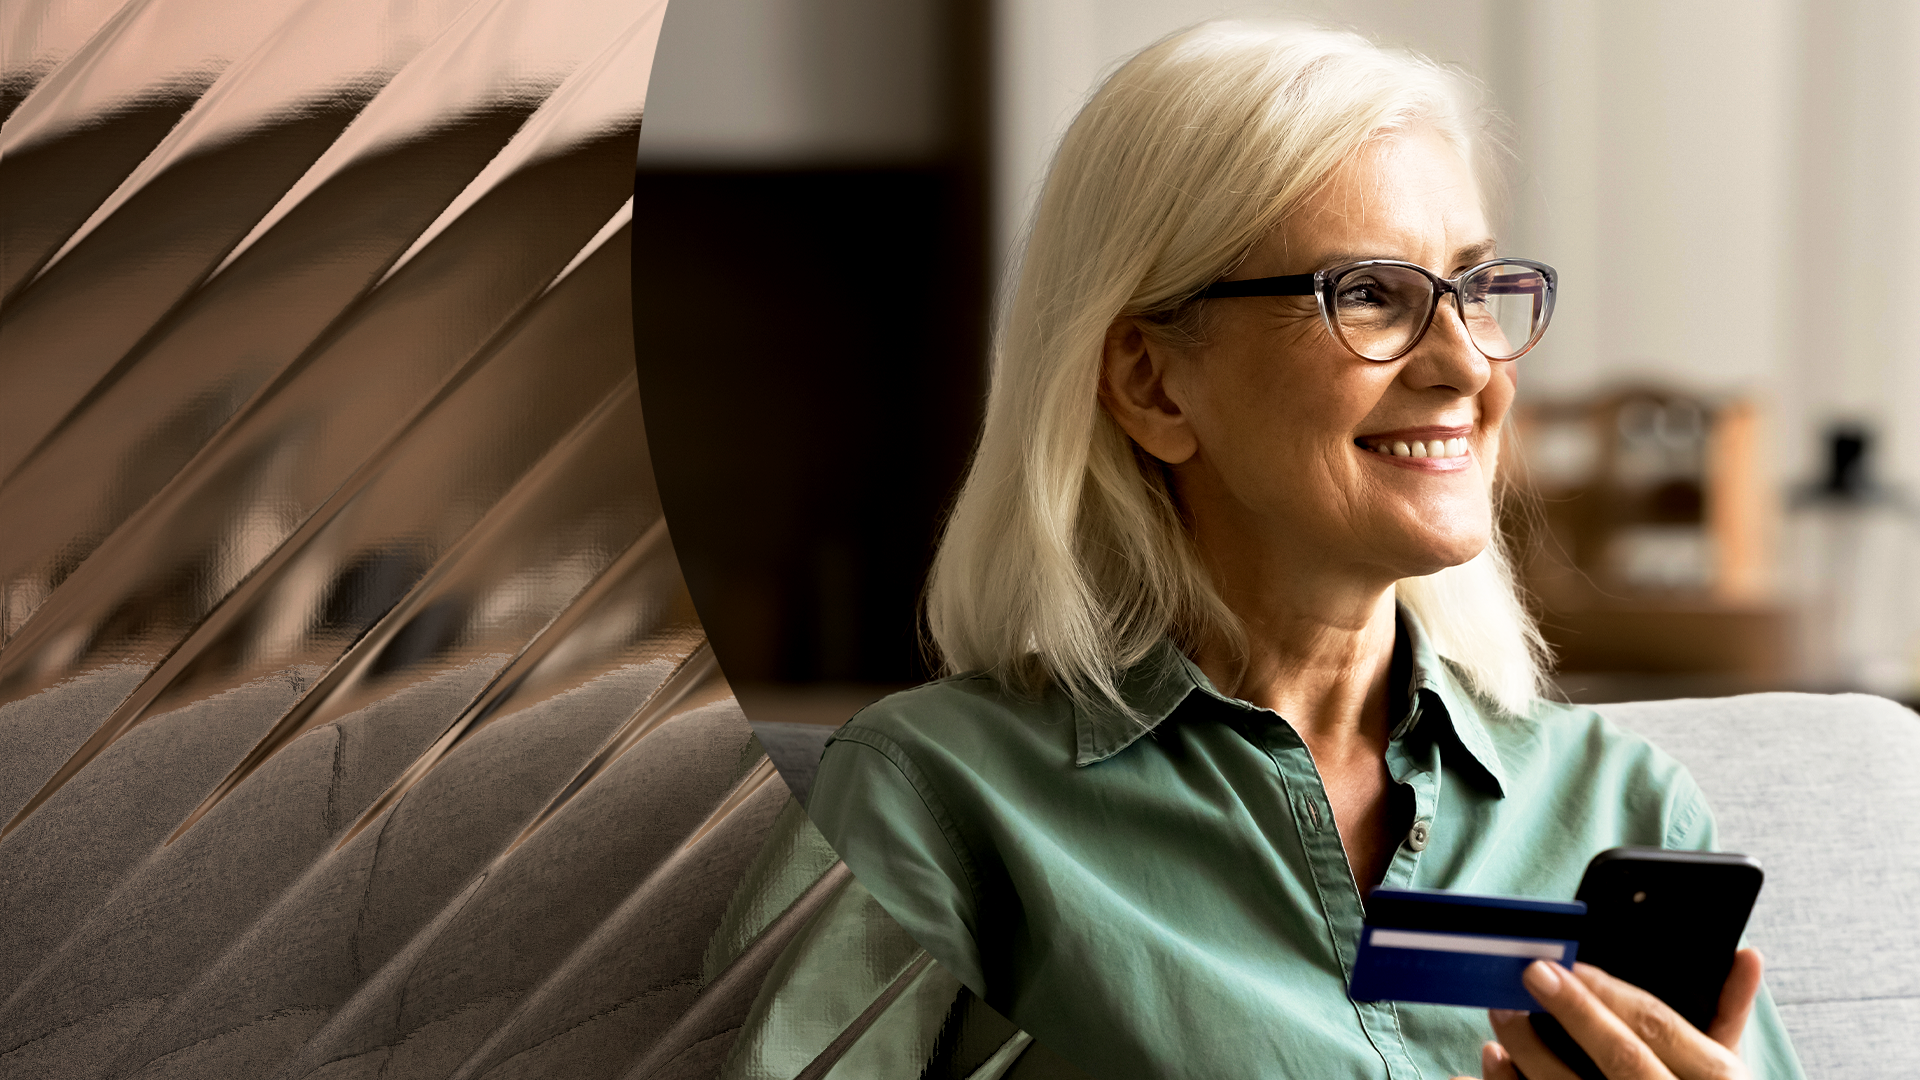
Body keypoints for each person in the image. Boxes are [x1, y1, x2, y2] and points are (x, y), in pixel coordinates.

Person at [806, 21, 1804, 1080]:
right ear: (1151, 383)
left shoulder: (1623, 804)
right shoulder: (936, 799)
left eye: (1473, 287)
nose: (1467, 364)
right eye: (1369, 293)